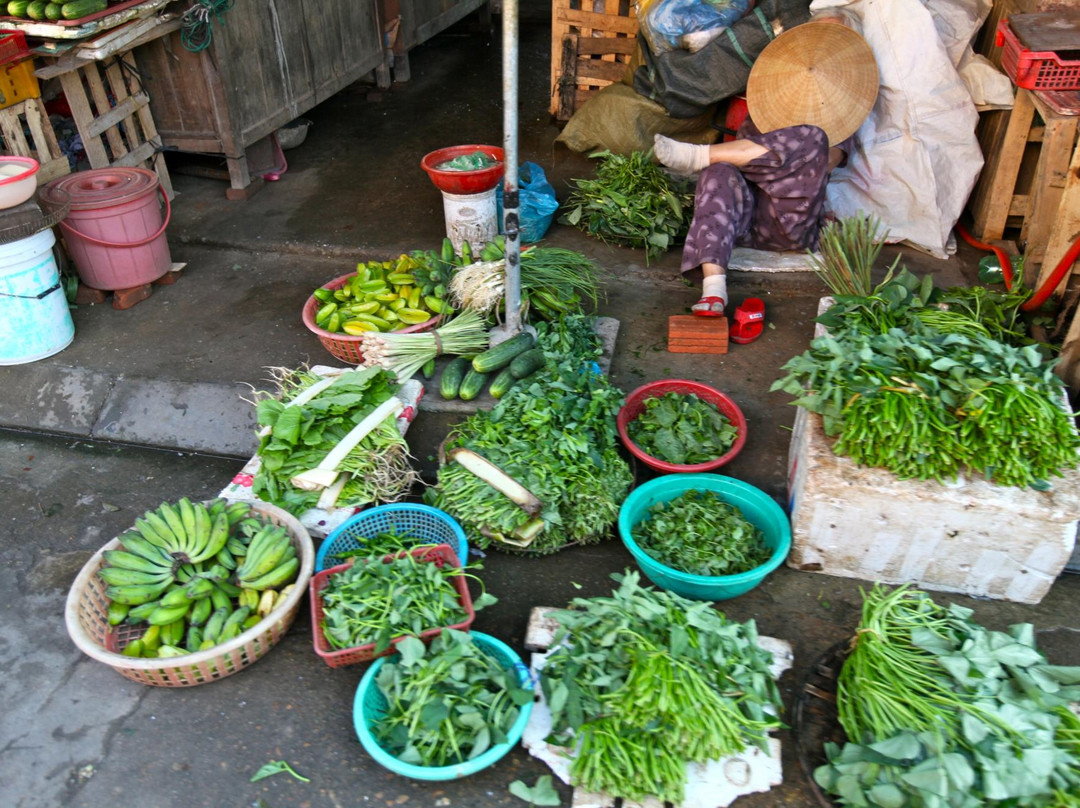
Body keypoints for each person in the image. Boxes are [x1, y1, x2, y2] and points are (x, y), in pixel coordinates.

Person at [652, 18, 879, 318]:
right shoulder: (764, 109)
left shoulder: (840, 120)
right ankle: (713, 291)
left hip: (789, 224)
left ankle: (697, 156)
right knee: (718, 171)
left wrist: (781, 154)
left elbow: (824, 166)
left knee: (813, 139)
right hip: (745, 222)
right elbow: (739, 173)